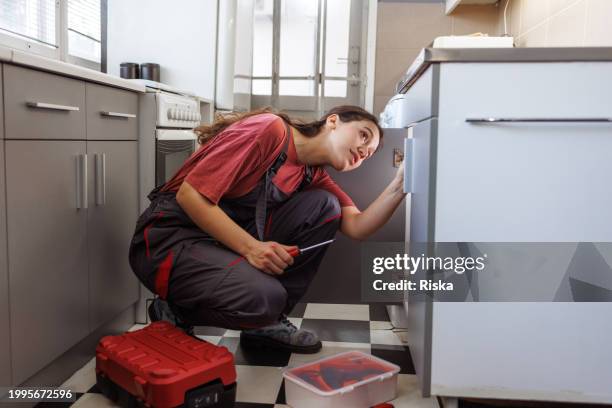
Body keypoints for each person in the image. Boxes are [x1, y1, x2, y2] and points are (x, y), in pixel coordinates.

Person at [129, 106, 406, 354]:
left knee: (325, 206)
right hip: (167, 240)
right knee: (264, 298)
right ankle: (175, 310)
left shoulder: (311, 174)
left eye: (369, 154)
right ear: (333, 121)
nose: (364, 151)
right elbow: (190, 196)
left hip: (213, 244)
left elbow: (357, 227)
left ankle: (263, 324)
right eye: (364, 135)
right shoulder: (269, 129)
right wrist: (252, 248)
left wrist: (401, 183)